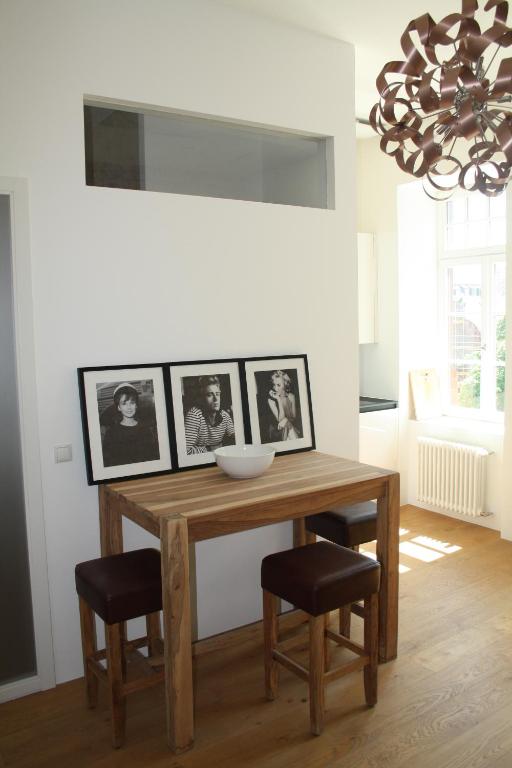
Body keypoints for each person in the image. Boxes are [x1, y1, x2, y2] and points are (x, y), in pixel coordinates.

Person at [102, 383, 160, 467]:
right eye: (124, 403)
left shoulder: (146, 430)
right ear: (119, 407)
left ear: (136, 405)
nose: (129, 407)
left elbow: (153, 458)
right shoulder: (111, 433)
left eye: (132, 403)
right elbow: (109, 463)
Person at [185, 375, 235, 454]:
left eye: (217, 394)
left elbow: (236, 440)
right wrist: (210, 449)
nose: (216, 399)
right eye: (209, 395)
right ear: (201, 399)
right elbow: (185, 451)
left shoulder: (224, 415)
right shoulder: (194, 415)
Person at [267, 370, 300, 442]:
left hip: (290, 427)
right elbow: (280, 420)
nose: (275, 388)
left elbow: (294, 417)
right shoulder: (271, 400)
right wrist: (278, 399)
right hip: (277, 431)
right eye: (274, 385)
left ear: (285, 384)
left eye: (278, 385)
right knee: (286, 423)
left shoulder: (291, 397)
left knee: (288, 425)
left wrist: (286, 420)